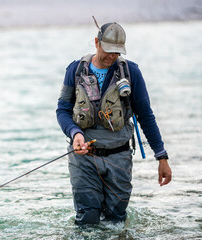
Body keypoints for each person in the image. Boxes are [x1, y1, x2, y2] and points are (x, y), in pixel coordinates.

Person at [56, 19, 172, 225]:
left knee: (116, 220)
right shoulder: (74, 70)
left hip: (119, 157)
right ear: (96, 42)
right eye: (108, 50)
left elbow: (146, 116)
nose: (112, 56)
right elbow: (63, 111)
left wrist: (161, 157)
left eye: (117, 52)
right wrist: (75, 133)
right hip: (84, 159)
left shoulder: (132, 72)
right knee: (87, 219)